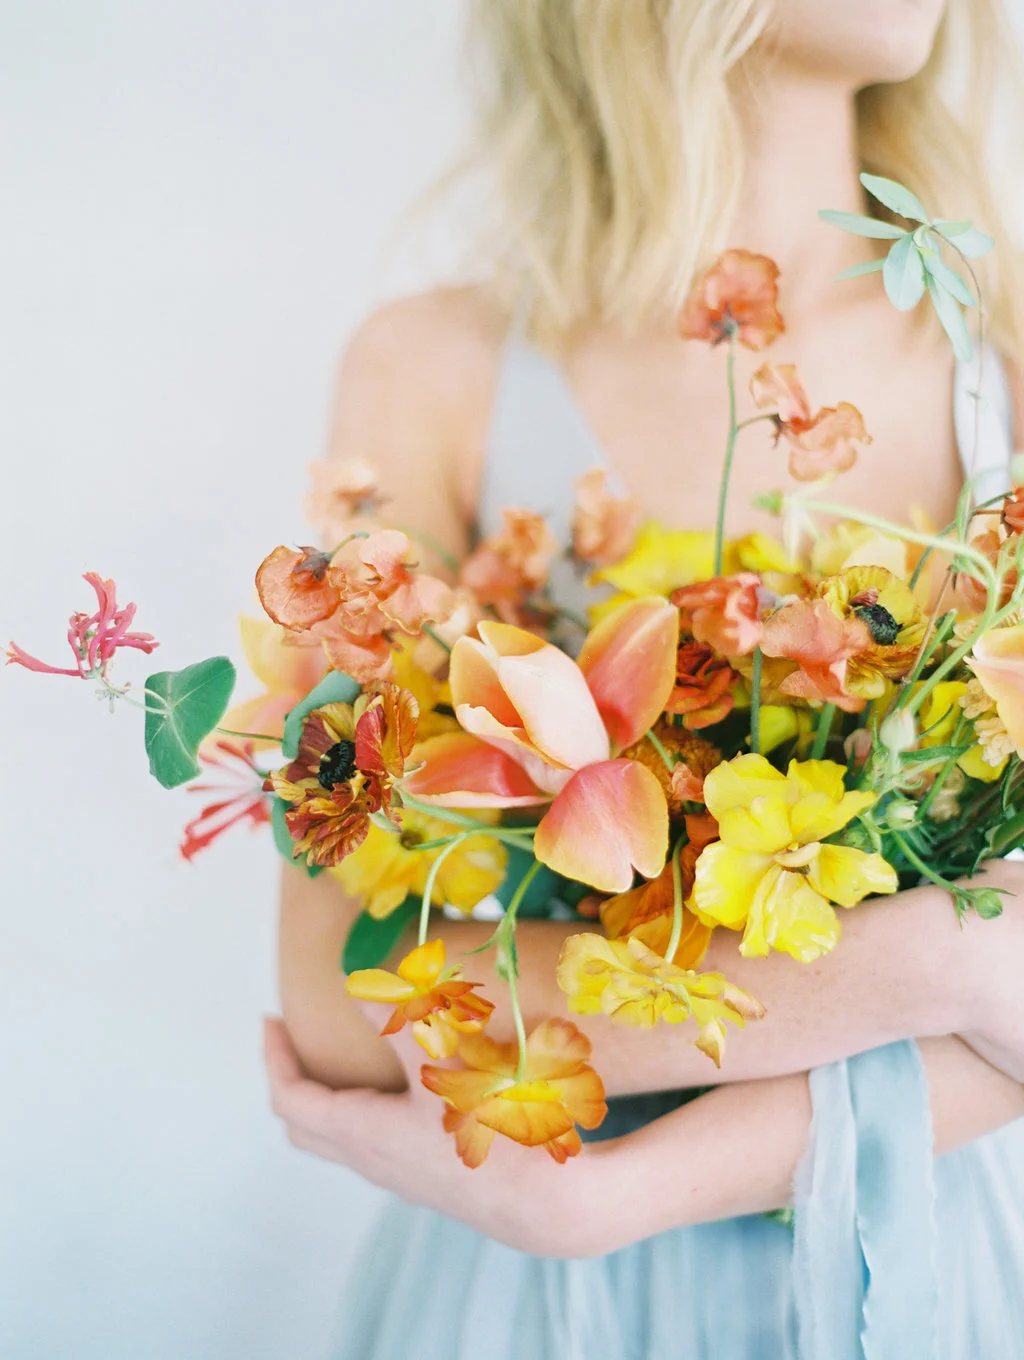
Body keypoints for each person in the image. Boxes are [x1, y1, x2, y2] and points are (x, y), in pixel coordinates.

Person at [265, 2, 1024, 1355]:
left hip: (927, 1273)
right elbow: (340, 994)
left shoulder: (1009, 359)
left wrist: (632, 1190)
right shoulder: (437, 370)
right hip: (529, 1306)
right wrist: (944, 963)